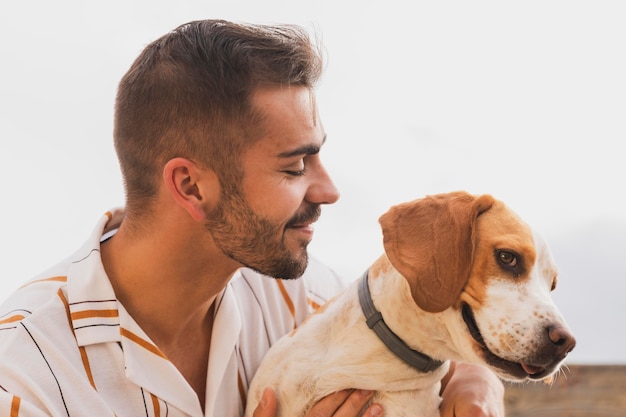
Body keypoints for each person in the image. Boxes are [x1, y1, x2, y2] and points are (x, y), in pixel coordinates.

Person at [0, 20, 505, 417]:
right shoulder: (24, 376)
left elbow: (421, 329)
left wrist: (472, 379)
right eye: (294, 166)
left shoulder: (303, 301)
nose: (328, 191)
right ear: (190, 186)